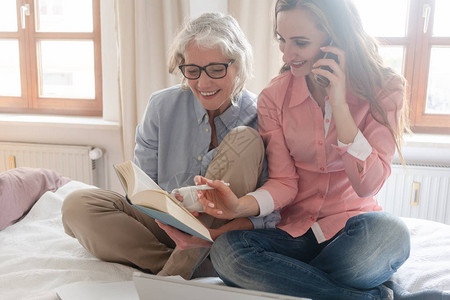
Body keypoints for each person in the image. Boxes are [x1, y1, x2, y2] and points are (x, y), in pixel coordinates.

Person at [180, 1, 414, 299]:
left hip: (352, 232)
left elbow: (367, 186)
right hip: (293, 235)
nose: (287, 55)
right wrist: (238, 207)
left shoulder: (386, 89)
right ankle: (366, 295)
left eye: (300, 43)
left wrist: (339, 104)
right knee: (228, 253)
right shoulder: (274, 96)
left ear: (335, 39)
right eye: (282, 39)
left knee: (392, 235)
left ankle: (293, 279)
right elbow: (284, 183)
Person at [61, 12, 271, 280]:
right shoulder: (161, 106)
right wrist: (172, 208)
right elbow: (141, 191)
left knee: (246, 139)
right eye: (192, 71)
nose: (203, 83)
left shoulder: (261, 117)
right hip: (164, 225)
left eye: (216, 69)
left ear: (238, 65)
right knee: (77, 204)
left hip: (221, 232)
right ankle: (183, 265)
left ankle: (172, 275)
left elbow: (267, 214)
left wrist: (212, 229)